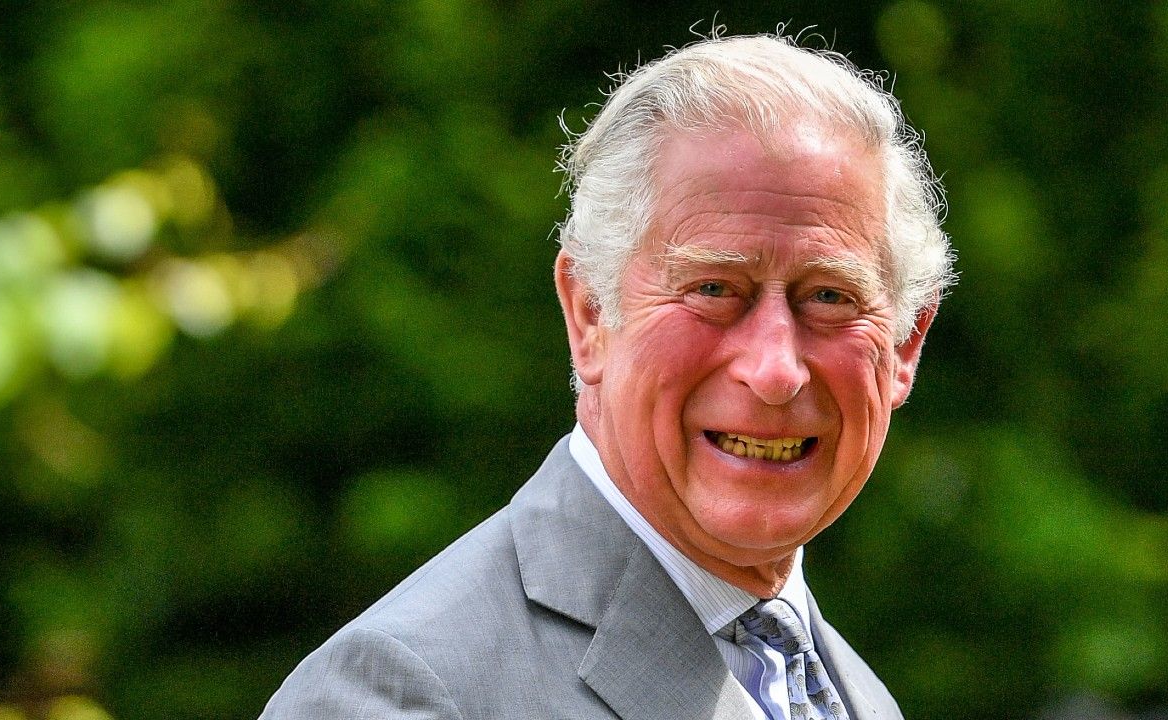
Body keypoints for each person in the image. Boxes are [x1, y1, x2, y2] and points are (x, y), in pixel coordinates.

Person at [260, 32, 953, 720]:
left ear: (906, 344)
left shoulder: (855, 696)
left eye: (830, 297)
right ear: (589, 312)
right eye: (713, 288)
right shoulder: (401, 690)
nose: (774, 370)